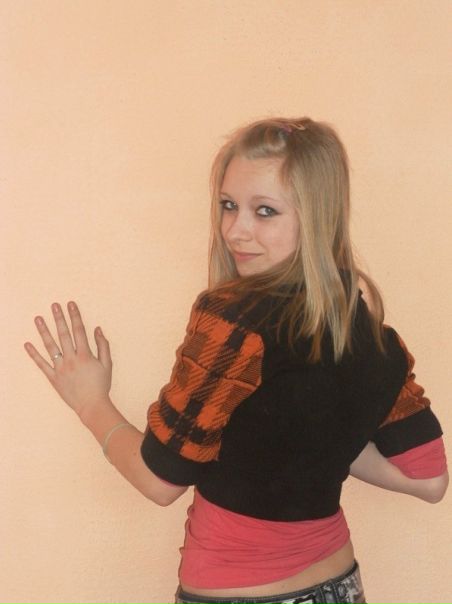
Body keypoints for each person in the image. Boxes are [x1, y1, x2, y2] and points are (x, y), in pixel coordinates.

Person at [25, 117, 448, 604]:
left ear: (317, 217)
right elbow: (429, 479)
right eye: (229, 205)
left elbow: (160, 482)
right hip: (341, 586)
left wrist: (90, 401)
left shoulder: (235, 321)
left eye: (264, 211)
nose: (235, 229)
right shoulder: (374, 339)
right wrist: (320, 437)